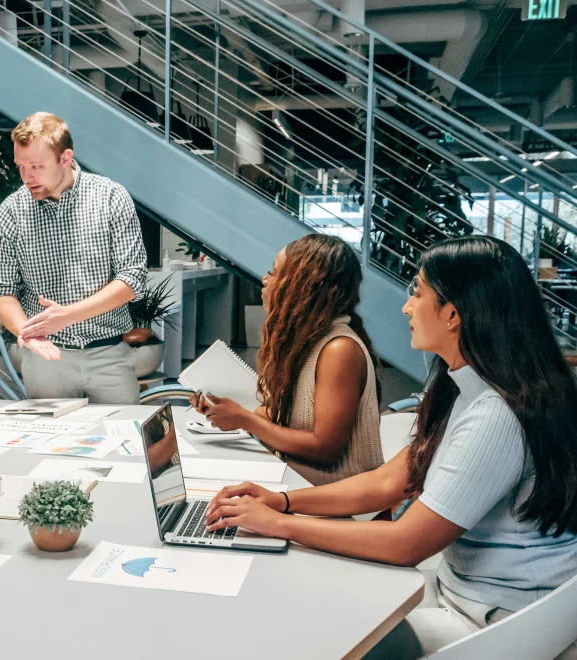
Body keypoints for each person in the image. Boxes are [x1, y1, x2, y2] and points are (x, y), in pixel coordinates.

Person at [204, 236, 577, 659]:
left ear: (453, 314)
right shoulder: (463, 388)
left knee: (308, 633)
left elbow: (406, 544)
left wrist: (278, 523)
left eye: (417, 293)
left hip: (498, 622)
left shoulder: (495, 414)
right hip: (462, 594)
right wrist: (282, 501)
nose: (406, 307)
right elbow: (389, 480)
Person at [191, 234, 383, 485]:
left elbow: (325, 449)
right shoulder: (306, 340)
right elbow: (278, 414)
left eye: (273, 273)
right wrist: (224, 411)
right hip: (303, 489)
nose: (264, 280)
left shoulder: (339, 350)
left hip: (345, 509)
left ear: (302, 286)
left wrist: (244, 419)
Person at [0, 112, 148, 404]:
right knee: (48, 447)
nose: (27, 178)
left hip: (109, 355)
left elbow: (132, 279)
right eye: (21, 167)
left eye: (36, 166)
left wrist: (68, 315)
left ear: (65, 158)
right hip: (45, 359)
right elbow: (3, 292)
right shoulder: (10, 213)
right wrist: (27, 331)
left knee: (124, 442)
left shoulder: (111, 197)